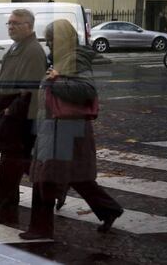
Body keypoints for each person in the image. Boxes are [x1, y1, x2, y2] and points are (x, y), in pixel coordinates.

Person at [19, 19, 123, 240]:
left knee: (45, 178)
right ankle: (109, 209)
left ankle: (41, 228)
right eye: (47, 41)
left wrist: (56, 81)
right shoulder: (61, 59)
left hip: (66, 130)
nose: (48, 45)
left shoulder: (74, 60)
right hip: (55, 128)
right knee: (75, 175)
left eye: (51, 41)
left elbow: (86, 90)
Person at [0, 8, 47, 225]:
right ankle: (9, 213)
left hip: (20, 122)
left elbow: (30, 90)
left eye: (16, 23)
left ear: (29, 26)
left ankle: (8, 215)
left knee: (10, 171)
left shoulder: (32, 51)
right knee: (18, 168)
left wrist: (10, 111)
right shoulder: (18, 47)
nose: (10, 26)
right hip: (13, 119)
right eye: (9, 23)